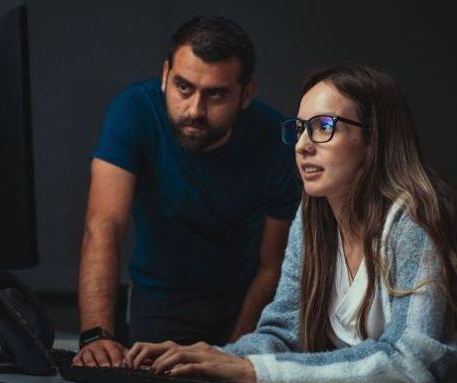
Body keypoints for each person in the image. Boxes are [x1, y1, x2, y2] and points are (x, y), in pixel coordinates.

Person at [122, 66, 457, 382]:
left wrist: (255, 372)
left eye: (324, 126)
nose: (302, 146)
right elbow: (282, 332)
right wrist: (211, 358)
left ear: (374, 141)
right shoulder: (313, 216)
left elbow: (410, 364)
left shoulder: (419, 219)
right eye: (299, 129)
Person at [73, 17, 300, 368]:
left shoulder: (278, 143)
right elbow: (103, 225)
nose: (195, 110)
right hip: (158, 300)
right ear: (165, 75)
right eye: (183, 87)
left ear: (246, 94)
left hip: (242, 304)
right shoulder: (134, 111)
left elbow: (273, 266)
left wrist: (237, 352)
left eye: (216, 95)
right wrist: (96, 334)